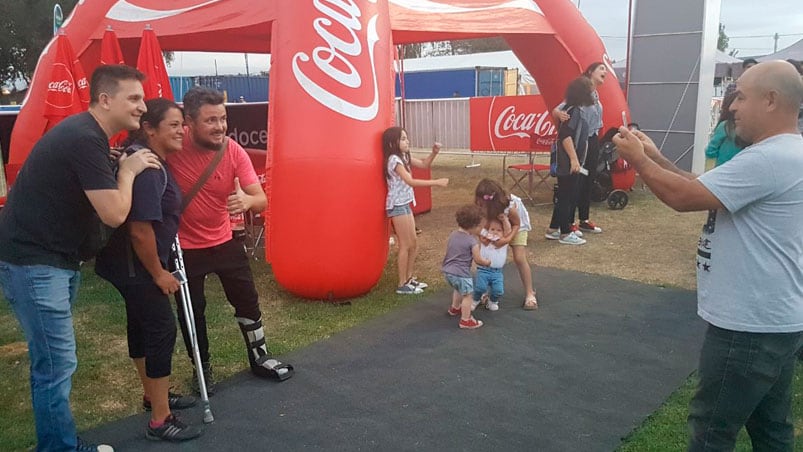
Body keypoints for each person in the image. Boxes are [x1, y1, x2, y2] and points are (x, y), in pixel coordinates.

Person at [612, 60, 803, 451]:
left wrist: (639, 161)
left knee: (711, 430)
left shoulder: (768, 159)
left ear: (771, 100)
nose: (732, 106)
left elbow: (684, 198)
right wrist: (657, 158)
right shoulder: (785, 153)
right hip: (774, 321)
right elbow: (706, 187)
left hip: (747, 327)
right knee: (771, 428)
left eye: (741, 96)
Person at [0, 64, 161, 452]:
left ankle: (58, 443)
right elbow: (114, 213)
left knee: (54, 363)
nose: (143, 106)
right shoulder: (85, 138)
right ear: (105, 100)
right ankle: (59, 448)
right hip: (35, 263)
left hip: (52, 261)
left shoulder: (87, 135)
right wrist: (129, 171)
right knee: (55, 366)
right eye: (134, 98)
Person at [168, 87, 293, 395]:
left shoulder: (232, 150)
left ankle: (259, 356)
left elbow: (261, 199)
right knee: (191, 311)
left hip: (224, 239)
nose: (220, 127)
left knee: (247, 299)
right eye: (211, 120)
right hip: (184, 246)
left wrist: (246, 202)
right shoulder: (171, 147)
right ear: (189, 122)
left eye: (223, 119)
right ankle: (202, 368)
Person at [95, 98, 202, 442]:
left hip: (125, 263)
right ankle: (160, 419)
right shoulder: (149, 166)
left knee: (141, 326)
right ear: (149, 128)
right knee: (160, 329)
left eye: (182, 124)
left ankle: (152, 394)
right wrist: (158, 273)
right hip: (136, 264)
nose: (182, 131)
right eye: (174, 125)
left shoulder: (143, 157)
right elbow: (140, 229)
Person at [382, 126, 448, 295]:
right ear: (393, 142)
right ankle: (402, 283)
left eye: (407, 137)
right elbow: (410, 181)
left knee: (414, 243)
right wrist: (436, 182)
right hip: (397, 205)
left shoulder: (404, 157)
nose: (407, 141)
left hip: (405, 203)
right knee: (405, 245)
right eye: (403, 139)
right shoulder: (394, 160)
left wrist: (434, 152)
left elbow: (425, 164)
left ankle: (409, 278)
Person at [552, 62, 608, 235]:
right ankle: (568, 224)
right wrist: (558, 114)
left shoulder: (596, 95)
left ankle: (583, 219)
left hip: (592, 140)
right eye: (601, 68)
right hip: (578, 143)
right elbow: (560, 113)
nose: (604, 72)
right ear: (590, 72)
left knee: (589, 179)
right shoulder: (580, 94)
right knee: (575, 182)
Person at [474, 179, 538, 310]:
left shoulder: (510, 206)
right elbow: (482, 222)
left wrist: (507, 239)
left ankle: (530, 294)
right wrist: (483, 235)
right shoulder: (482, 205)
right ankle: (483, 292)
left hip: (516, 228)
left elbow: (517, 224)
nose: (481, 206)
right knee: (484, 257)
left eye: (483, 204)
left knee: (519, 258)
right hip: (495, 227)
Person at [546, 76, 595, 246]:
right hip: (569, 162)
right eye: (590, 89)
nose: (593, 92)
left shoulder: (569, 109)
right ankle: (566, 233)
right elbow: (565, 135)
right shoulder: (574, 111)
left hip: (569, 161)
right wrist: (574, 160)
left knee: (564, 196)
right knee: (567, 197)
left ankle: (554, 229)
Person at [443, 205, 491, 329]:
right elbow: (478, 259)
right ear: (473, 226)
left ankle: (455, 308)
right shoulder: (472, 241)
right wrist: (486, 262)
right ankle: (466, 320)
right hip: (462, 273)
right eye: (480, 226)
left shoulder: (453, 234)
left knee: (458, 289)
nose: (481, 229)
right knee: (468, 295)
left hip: (448, 272)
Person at [472, 216, 512, 312]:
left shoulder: (503, 241)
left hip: (497, 272)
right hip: (483, 269)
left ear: (503, 233)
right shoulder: (486, 239)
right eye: (492, 229)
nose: (495, 232)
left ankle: (493, 301)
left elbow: (508, 230)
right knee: (480, 288)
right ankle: (475, 300)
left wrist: (505, 220)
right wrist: (487, 219)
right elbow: (479, 230)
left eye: (499, 230)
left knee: (498, 291)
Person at [705, 92, 748, 168]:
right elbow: (711, 150)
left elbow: (711, 150)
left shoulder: (725, 126)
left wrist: (709, 171)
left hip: (723, 168)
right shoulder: (727, 126)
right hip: (735, 168)